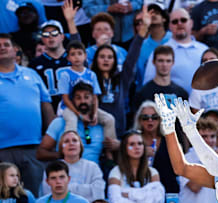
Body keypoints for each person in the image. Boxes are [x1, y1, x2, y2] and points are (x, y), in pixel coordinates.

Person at [1, 33, 53, 196]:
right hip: (2, 149)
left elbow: (46, 105)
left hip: (33, 147)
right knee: (5, 200)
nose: (2, 48)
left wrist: (51, 135)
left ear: (15, 50)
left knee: (34, 197)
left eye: (6, 45)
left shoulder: (32, 75)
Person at [91, 8, 148, 137]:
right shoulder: (91, 77)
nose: (106, 60)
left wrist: (144, 28)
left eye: (110, 57)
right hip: (95, 132)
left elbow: (132, 57)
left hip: (118, 132)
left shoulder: (122, 79)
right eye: (102, 57)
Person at [38, 82, 118, 166]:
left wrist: (118, 146)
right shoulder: (60, 123)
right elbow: (40, 153)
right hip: (66, 172)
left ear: (93, 100)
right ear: (72, 101)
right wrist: (62, 154)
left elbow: (113, 155)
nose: (83, 101)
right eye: (78, 98)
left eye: (86, 97)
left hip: (93, 174)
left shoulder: (102, 124)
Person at [56, 41, 116, 143]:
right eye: (73, 54)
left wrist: (95, 113)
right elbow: (65, 99)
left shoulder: (91, 74)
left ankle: (109, 150)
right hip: (68, 108)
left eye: (79, 54)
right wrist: (79, 114)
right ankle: (67, 147)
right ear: (68, 58)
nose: (76, 57)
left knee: (109, 119)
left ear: (85, 56)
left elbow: (95, 97)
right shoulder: (65, 74)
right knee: (72, 121)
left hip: (88, 107)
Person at [142, 8, 208, 93]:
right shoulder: (160, 52)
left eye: (183, 20)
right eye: (174, 21)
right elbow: (149, 83)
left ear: (191, 23)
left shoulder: (204, 50)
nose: (179, 23)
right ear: (169, 26)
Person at [107, 132, 166, 203]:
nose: (137, 147)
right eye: (132, 144)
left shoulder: (153, 172)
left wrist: (129, 194)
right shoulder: (116, 172)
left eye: (140, 144)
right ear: (125, 148)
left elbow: (157, 200)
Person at [178, 118, 218, 203]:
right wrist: (211, 162)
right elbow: (194, 187)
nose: (209, 140)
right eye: (204, 137)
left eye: (212, 136)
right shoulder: (187, 159)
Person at [40, 131, 105, 201]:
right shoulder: (52, 167)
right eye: (66, 141)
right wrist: (87, 190)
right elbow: (49, 194)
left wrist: (65, 189)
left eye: (75, 140)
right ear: (61, 148)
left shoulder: (93, 167)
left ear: (80, 146)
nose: (71, 143)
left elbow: (98, 195)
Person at [134, 45, 189, 111]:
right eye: (160, 61)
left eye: (168, 61)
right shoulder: (142, 93)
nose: (164, 65)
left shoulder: (182, 94)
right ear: (153, 62)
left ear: (173, 63)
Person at [135, 1, 170, 90]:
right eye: (150, 13)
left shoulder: (174, 39)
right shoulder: (141, 45)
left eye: (157, 13)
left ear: (164, 18)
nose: (153, 15)